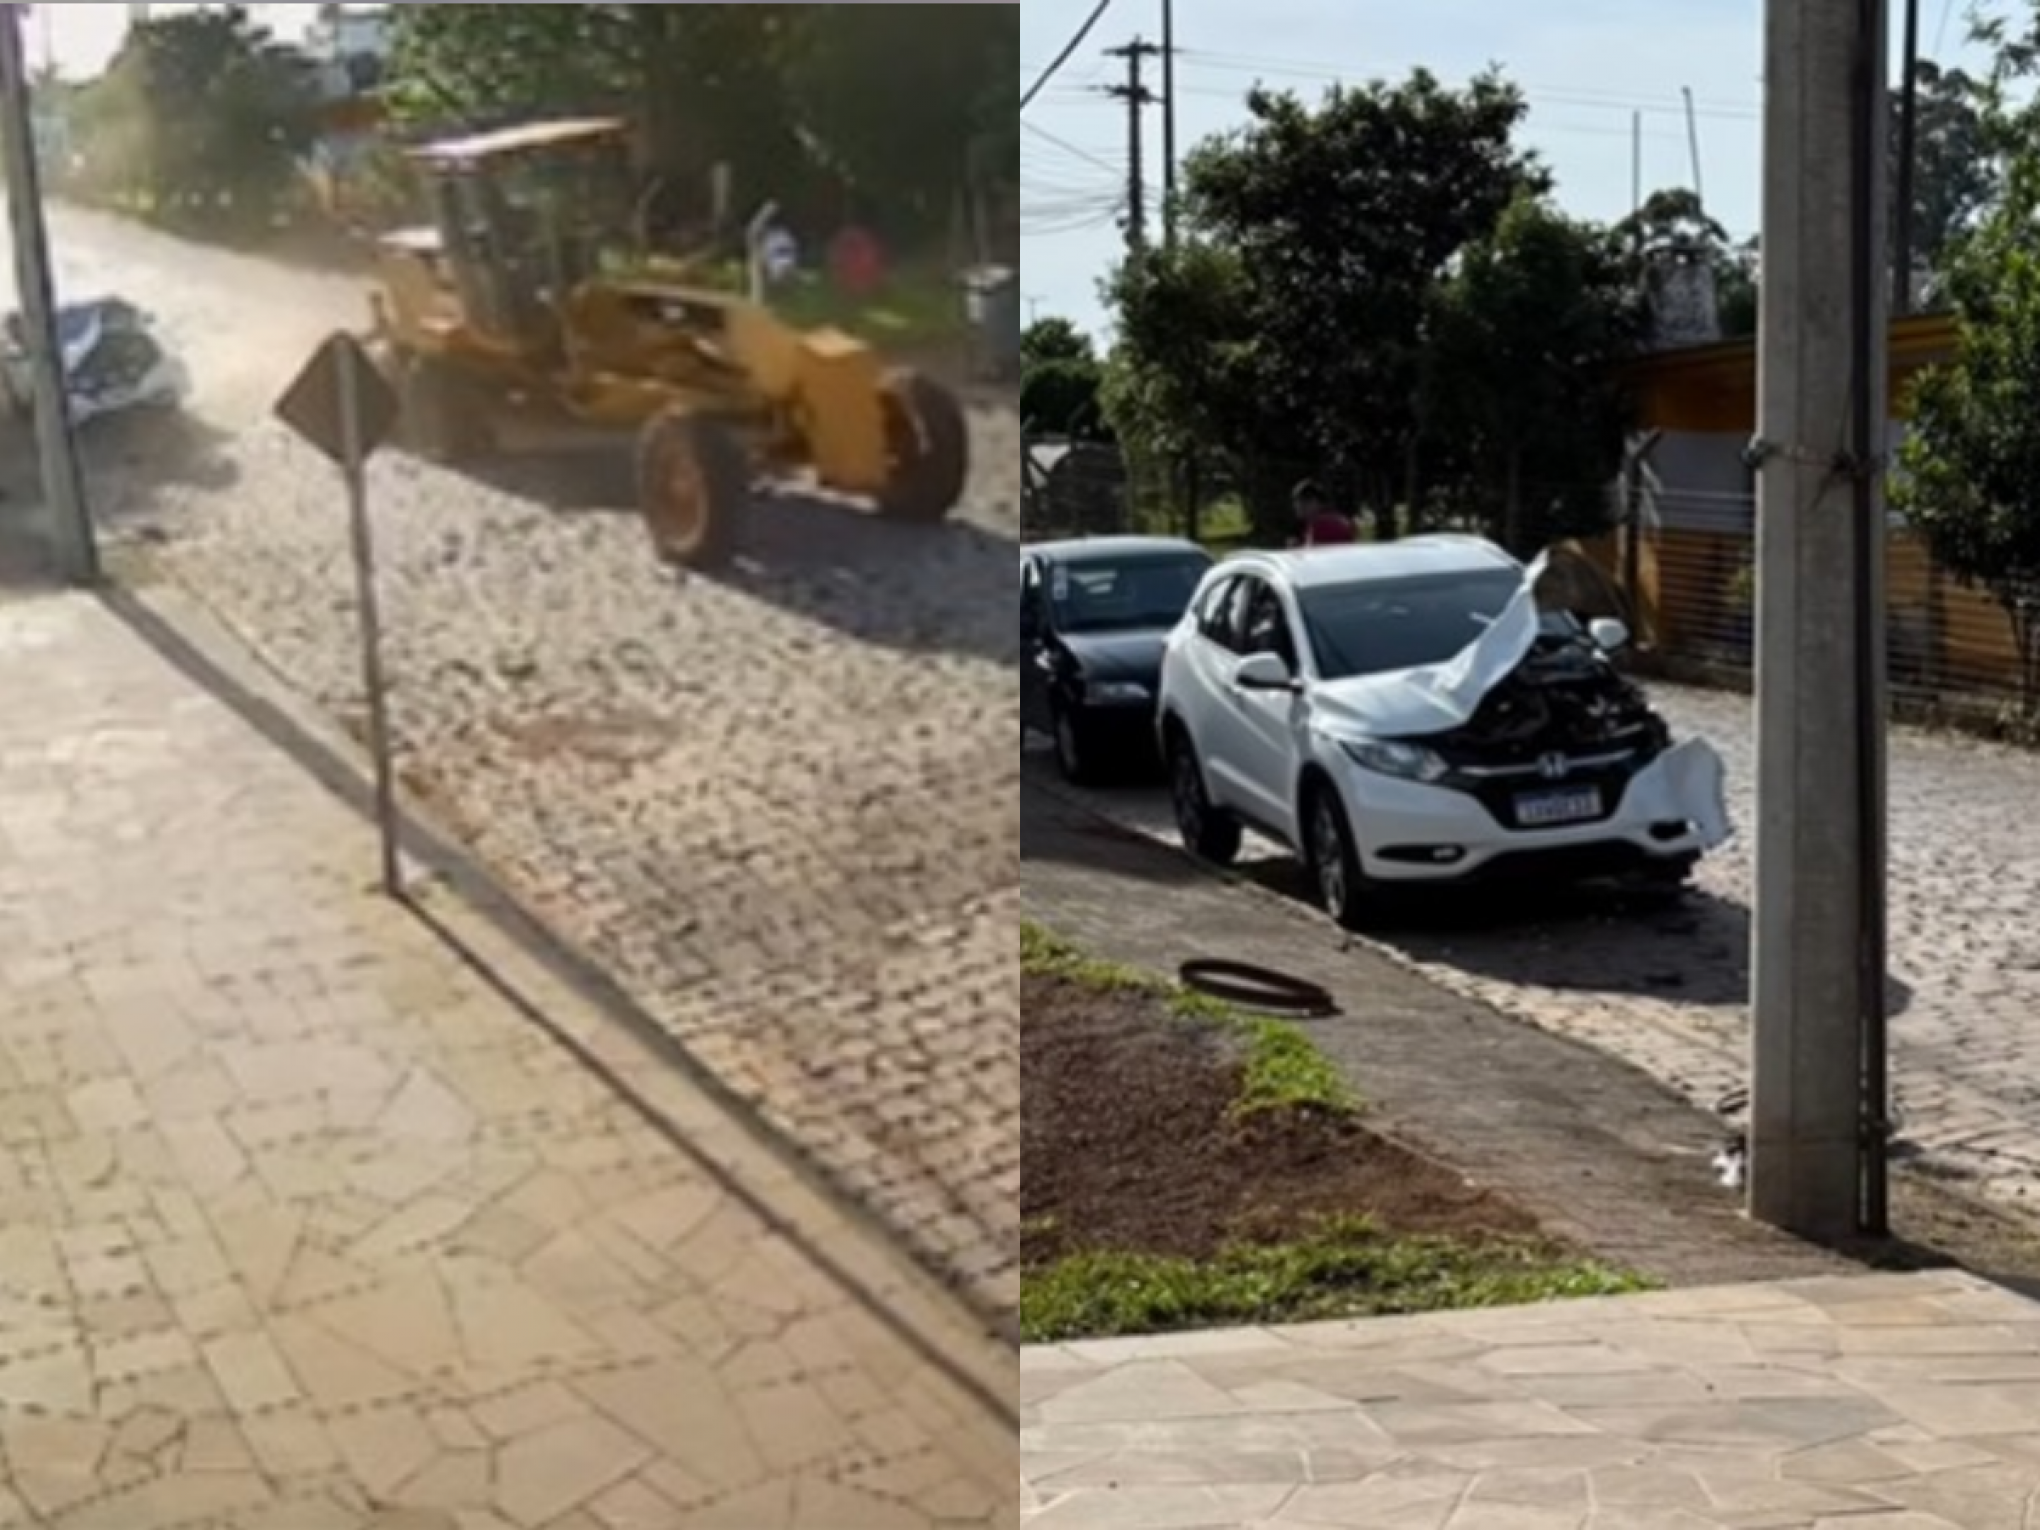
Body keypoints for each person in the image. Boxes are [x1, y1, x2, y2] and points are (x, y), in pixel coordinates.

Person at [1291, 480, 1357, 547]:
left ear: (1314, 501)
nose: (1296, 506)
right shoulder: (1337, 518)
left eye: (1300, 501)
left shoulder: (1321, 525)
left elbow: (1314, 554)